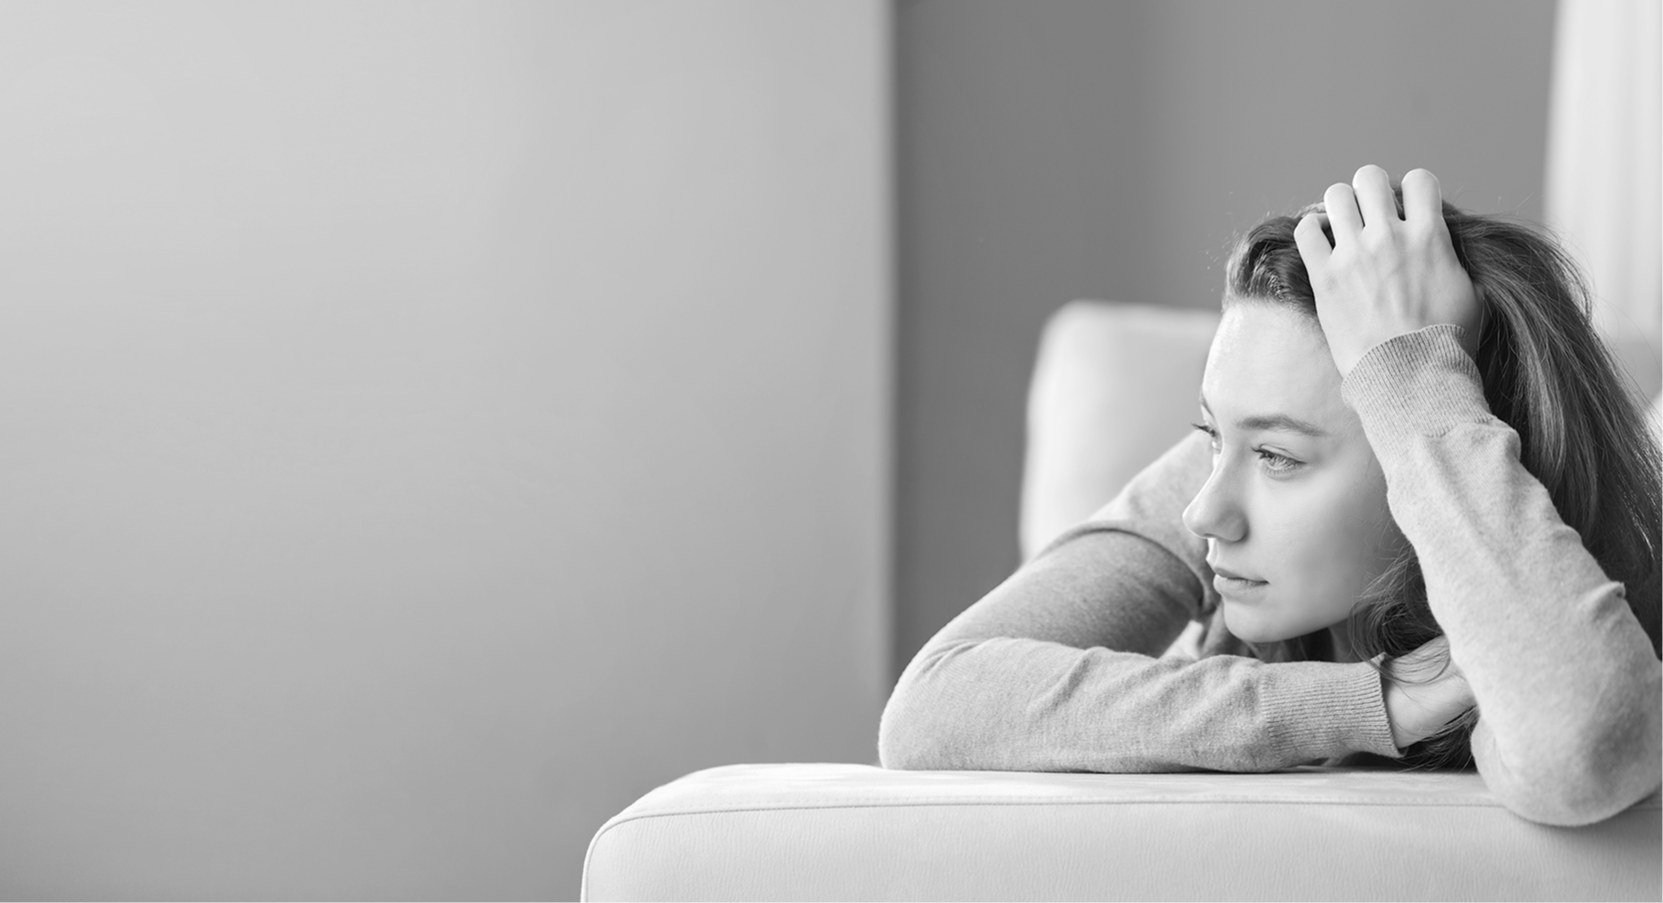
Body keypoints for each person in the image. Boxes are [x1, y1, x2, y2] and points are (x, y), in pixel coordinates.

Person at [877, 165, 1663, 827]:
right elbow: (933, 705)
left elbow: (1583, 744)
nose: (1202, 512)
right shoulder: (1216, 478)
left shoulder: (1522, 596)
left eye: (1277, 456)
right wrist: (1372, 700)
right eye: (1211, 433)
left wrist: (1415, 378)